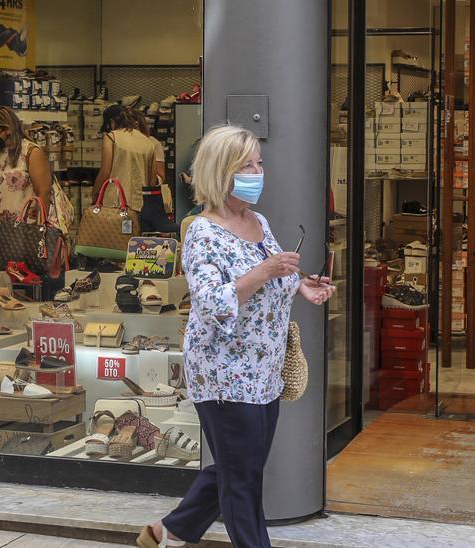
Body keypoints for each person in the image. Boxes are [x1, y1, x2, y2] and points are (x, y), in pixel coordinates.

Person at [139, 125, 335, 548]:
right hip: (224, 374)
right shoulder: (202, 233)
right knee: (242, 482)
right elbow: (212, 301)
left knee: (238, 466)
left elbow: (274, 278)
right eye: (247, 166)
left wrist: (302, 284)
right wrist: (266, 270)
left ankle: (171, 531)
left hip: (262, 371)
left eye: (259, 163)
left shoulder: (257, 221)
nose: (258, 172)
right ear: (221, 172)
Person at [0, 106, 62, 293]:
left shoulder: (31, 152)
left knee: (25, 285)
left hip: (25, 232)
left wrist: (38, 230)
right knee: (0, 286)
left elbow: (43, 192)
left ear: (7, 129)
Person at [95, 105, 172, 233]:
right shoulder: (148, 143)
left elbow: (105, 172)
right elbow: (152, 181)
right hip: (140, 205)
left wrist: (96, 193)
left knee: (113, 242)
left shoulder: (111, 137)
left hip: (114, 203)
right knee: (133, 242)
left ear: (112, 122)